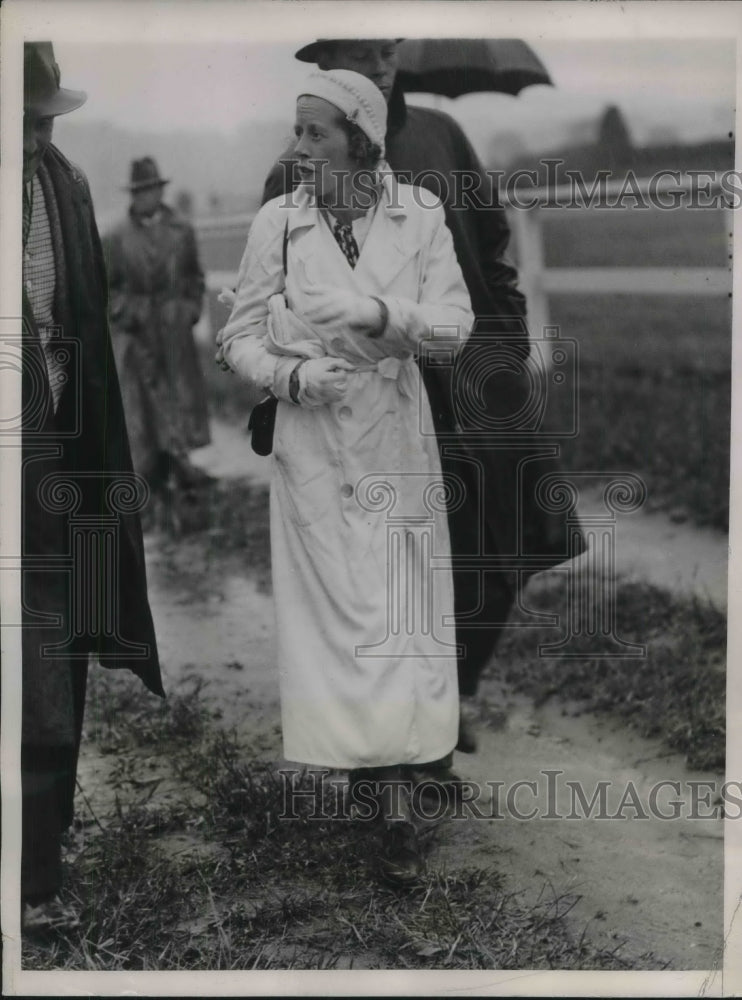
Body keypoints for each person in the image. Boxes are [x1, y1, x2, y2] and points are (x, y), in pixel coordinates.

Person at [263, 40, 584, 754]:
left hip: (471, 374)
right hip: (374, 398)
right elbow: (278, 303)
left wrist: (508, 346)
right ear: (327, 62)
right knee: (389, 568)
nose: (379, 61)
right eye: (360, 50)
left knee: (497, 548)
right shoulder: (297, 169)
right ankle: (396, 745)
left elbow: (493, 244)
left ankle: (452, 690)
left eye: (387, 47)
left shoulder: (442, 135)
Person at [219, 69, 473, 884]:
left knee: (397, 611)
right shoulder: (279, 224)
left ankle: (396, 805)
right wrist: (291, 379)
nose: (298, 149)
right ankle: (375, 774)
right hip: (314, 442)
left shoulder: (420, 214)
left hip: (395, 435)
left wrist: (379, 316)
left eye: (316, 133)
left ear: (362, 142)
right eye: (297, 131)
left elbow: (457, 326)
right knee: (341, 612)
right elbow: (238, 336)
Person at [20, 42, 163, 932]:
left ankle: (37, 864)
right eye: (21, 121)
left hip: (54, 454)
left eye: (45, 120)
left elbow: (78, 324)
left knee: (56, 640)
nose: (36, 137)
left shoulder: (62, 186)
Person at [103, 156, 211, 513]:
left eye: (153, 189)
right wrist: (130, 312)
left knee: (179, 398)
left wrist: (188, 311)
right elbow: (108, 290)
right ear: (132, 195)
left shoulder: (182, 229)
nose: (147, 196)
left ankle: (182, 471)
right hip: (138, 336)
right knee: (145, 406)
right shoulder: (116, 237)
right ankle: (151, 482)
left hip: (174, 332)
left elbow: (195, 278)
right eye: (140, 191)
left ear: (161, 190)